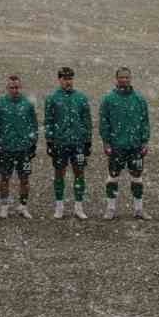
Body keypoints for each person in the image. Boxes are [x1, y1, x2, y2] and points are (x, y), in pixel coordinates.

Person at [99, 66, 152, 220]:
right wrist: (106, 142)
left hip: (135, 146)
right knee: (113, 177)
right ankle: (110, 209)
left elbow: (145, 122)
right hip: (117, 146)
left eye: (127, 77)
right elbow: (104, 122)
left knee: (137, 177)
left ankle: (138, 209)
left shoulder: (139, 99)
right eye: (121, 77)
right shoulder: (108, 99)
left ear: (130, 78)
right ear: (116, 79)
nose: (124, 80)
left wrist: (144, 141)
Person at [45, 65, 93, 220]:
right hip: (60, 143)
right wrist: (50, 141)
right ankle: (59, 207)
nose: (68, 82)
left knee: (79, 173)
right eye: (65, 79)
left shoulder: (81, 97)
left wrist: (87, 141)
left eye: (70, 78)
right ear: (59, 79)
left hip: (78, 143)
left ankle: (78, 207)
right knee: (59, 173)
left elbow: (87, 121)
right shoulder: (52, 98)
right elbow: (49, 121)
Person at [0, 74, 37, 219]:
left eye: (17, 87)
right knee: (5, 178)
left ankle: (23, 206)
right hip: (6, 148)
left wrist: (32, 143)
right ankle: (4, 207)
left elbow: (33, 125)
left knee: (25, 179)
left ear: (20, 87)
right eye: (12, 87)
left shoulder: (28, 104)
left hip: (23, 149)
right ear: (7, 88)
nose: (15, 90)